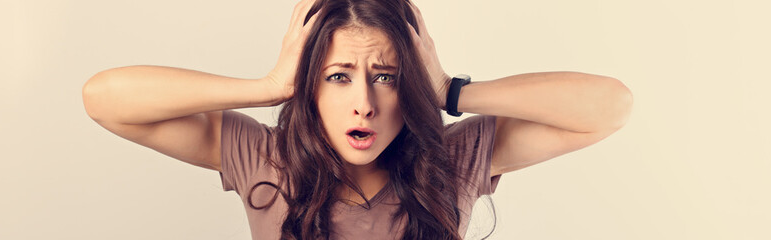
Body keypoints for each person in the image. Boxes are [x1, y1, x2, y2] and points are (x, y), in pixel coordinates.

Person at [81, 0, 633, 239]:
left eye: (387, 76)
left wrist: (448, 89)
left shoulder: (455, 159)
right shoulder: (263, 159)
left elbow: (610, 106)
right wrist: (270, 86)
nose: (364, 102)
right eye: (339, 76)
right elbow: (104, 97)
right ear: (310, 85)